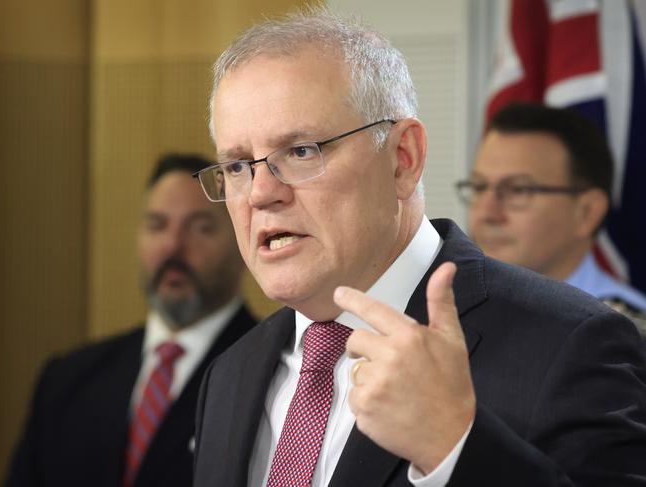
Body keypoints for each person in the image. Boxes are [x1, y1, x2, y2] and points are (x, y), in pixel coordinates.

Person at [191, 8, 646, 487]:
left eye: (302, 151)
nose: (261, 193)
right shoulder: (229, 374)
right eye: (239, 165)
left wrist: (454, 446)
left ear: (403, 160)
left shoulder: (572, 342)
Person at [5, 154, 256, 487]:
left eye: (201, 227)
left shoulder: (268, 372)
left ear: (241, 240)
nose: (173, 246)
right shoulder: (67, 380)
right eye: (157, 225)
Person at [460, 102, 646, 335]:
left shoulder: (630, 335)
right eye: (479, 187)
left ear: (587, 212)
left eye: (518, 190)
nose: (487, 212)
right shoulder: (447, 313)